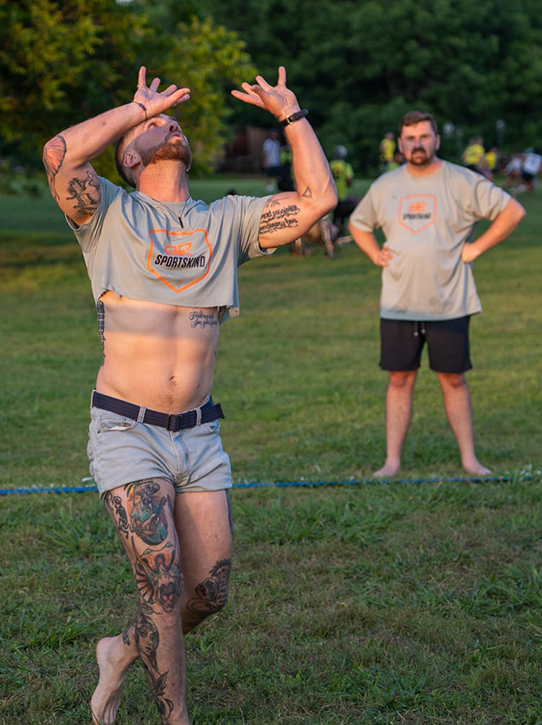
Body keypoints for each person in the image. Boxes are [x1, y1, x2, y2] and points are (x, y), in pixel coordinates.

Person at [43, 65, 336, 725]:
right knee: (163, 580)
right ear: (127, 153)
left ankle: (120, 650)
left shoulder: (225, 220)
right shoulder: (107, 213)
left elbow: (318, 200)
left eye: (168, 119)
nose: (166, 123)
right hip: (126, 428)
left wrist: (292, 115)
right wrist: (131, 108)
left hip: (199, 435)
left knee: (207, 592)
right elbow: (59, 153)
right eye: (150, 126)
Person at [349, 111, 526, 478]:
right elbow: (358, 222)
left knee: (454, 379)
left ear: (436, 140)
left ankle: (469, 460)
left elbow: (512, 210)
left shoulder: (462, 180)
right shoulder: (385, 185)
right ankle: (392, 462)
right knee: (399, 379)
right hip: (399, 302)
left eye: (425, 137)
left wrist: (476, 249)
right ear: (400, 144)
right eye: (410, 138)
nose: (418, 144)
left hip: (450, 301)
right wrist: (373, 252)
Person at [329, 145, 358, 233]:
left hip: (332, 193)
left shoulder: (330, 164)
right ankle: (340, 233)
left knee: (335, 215)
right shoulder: (345, 166)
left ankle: (332, 232)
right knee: (342, 217)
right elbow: (349, 180)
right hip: (343, 194)